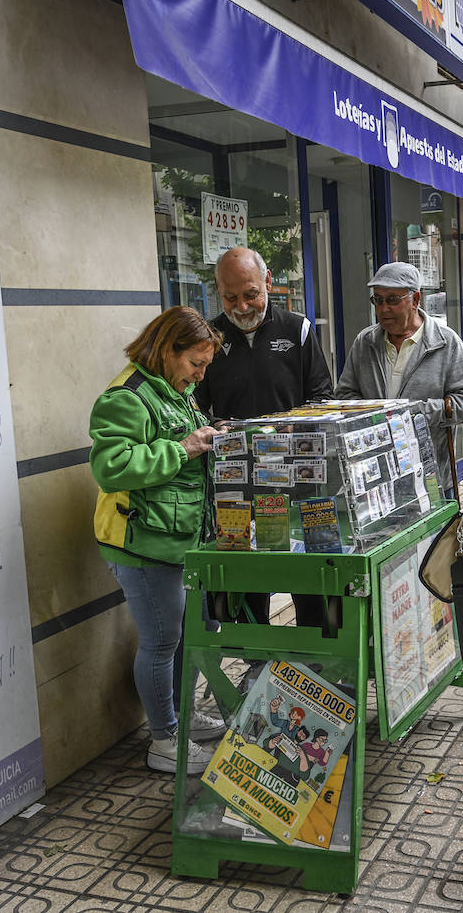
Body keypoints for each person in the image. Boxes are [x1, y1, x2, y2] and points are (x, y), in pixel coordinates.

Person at [89, 307, 228, 775]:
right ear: (168, 350)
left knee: (187, 636)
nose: (200, 375)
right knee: (162, 639)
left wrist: (210, 438)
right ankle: (164, 740)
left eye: (206, 366)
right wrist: (184, 448)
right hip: (140, 542)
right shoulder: (125, 396)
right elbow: (110, 468)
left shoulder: (171, 389)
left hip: (177, 537)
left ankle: (181, 717)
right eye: (196, 364)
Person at [193, 246, 333, 627]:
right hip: (235, 484)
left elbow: (323, 397)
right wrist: (211, 429)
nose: (241, 306)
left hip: (300, 481)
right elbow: (195, 405)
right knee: (242, 580)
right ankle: (252, 659)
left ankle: (319, 659)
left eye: (250, 294)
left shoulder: (297, 329)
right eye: (230, 297)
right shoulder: (209, 338)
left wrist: (298, 423)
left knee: (313, 575)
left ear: (268, 281)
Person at [336, 261, 463, 497]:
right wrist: (372, 417)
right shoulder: (365, 342)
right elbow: (345, 395)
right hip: (378, 480)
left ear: (415, 300)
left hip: (430, 476)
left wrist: (417, 413)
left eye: (393, 299)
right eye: (378, 300)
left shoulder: (445, 342)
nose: (384, 309)